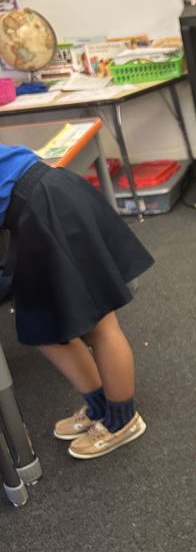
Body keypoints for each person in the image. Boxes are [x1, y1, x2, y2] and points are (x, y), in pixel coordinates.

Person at [0, 144, 153, 458]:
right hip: (39, 204)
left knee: (99, 324)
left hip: (46, 203)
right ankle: (101, 407)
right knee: (43, 328)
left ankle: (123, 420)